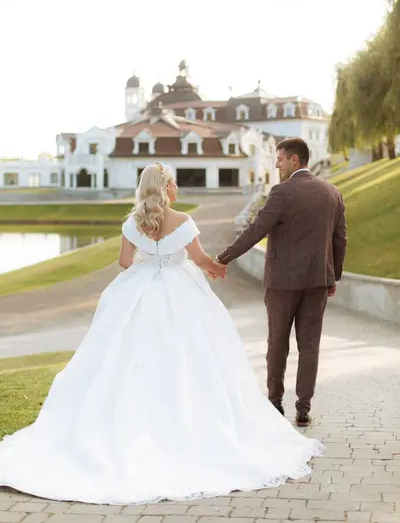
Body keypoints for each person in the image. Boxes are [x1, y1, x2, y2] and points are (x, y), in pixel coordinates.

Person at [0, 162, 323, 506]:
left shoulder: (132, 222)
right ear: (167, 187)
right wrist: (216, 267)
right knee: (189, 357)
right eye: (175, 184)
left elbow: (125, 262)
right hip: (179, 291)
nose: (178, 189)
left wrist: (147, 258)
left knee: (127, 357)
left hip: (137, 291)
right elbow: (199, 259)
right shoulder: (183, 221)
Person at [217, 138, 347, 427]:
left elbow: (257, 229)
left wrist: (224, 257)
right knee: (309, 345)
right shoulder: (332, 193)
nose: (276, 164)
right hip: (318, 281)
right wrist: (333, 276)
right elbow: (340, 239)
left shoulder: (281, 192)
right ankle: (303, 408)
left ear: (295, 161)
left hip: (282, 282)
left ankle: (274, 404)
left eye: (280, 159)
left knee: (277, 343)